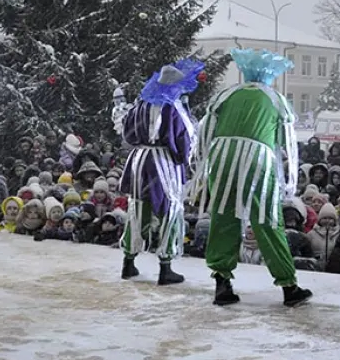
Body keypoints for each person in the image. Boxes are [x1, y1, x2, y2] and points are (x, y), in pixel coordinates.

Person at [191, 49, 312, 307]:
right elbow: (284, 139)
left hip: (221, 157)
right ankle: (288, 285)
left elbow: (206, 130)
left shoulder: (226, 95)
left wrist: (205, 163)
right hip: (257, 159)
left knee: (223, 216)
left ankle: (222, 282)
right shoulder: (275, 99)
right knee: (267, 220)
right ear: (270, 76)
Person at [119, 58, 203, 285]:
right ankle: (165, 267)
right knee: (170, 208)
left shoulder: (140, 105)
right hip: (163, 163)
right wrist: (183, 160)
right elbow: (184, 140)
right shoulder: (173, 107)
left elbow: (127, 133)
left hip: (138, 160)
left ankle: (128, 261)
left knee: (138, 208)